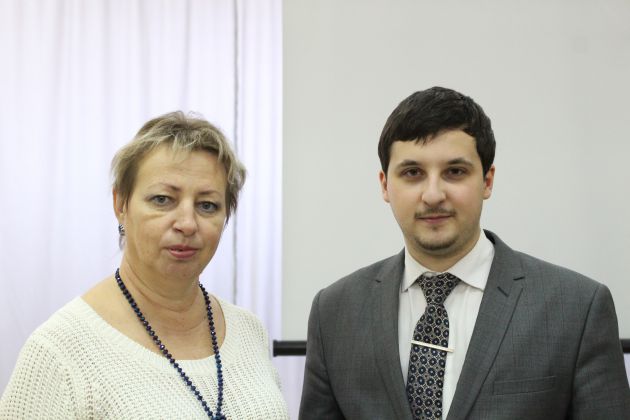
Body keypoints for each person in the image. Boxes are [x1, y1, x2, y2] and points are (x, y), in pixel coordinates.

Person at [299, 87, 630, 419]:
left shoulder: (577, 308)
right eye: (412, 173)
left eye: (454, 171)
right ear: (385, 185)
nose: (433, 195)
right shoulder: (334, 313)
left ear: (487, 181)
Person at [0, 112, 289, 419]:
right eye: (163, 199)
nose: (187, 223)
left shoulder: (248, 331)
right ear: (120, 204)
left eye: (207, 205)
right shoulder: (60, 353)